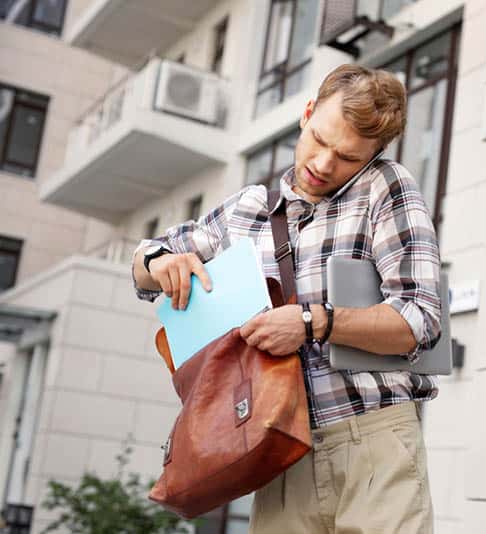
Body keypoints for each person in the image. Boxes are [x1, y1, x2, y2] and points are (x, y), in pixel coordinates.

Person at [131, 64, 441, 533]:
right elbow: (145, 262)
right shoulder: (249, 211)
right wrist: (158, 263)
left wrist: (313, 322)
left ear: (373, 157)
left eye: (347, 158)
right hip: (278, 449)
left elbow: (419, 321)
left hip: (373, 442)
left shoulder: (386, 188)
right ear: (308, 112)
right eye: (318, 140)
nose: (322, 165)